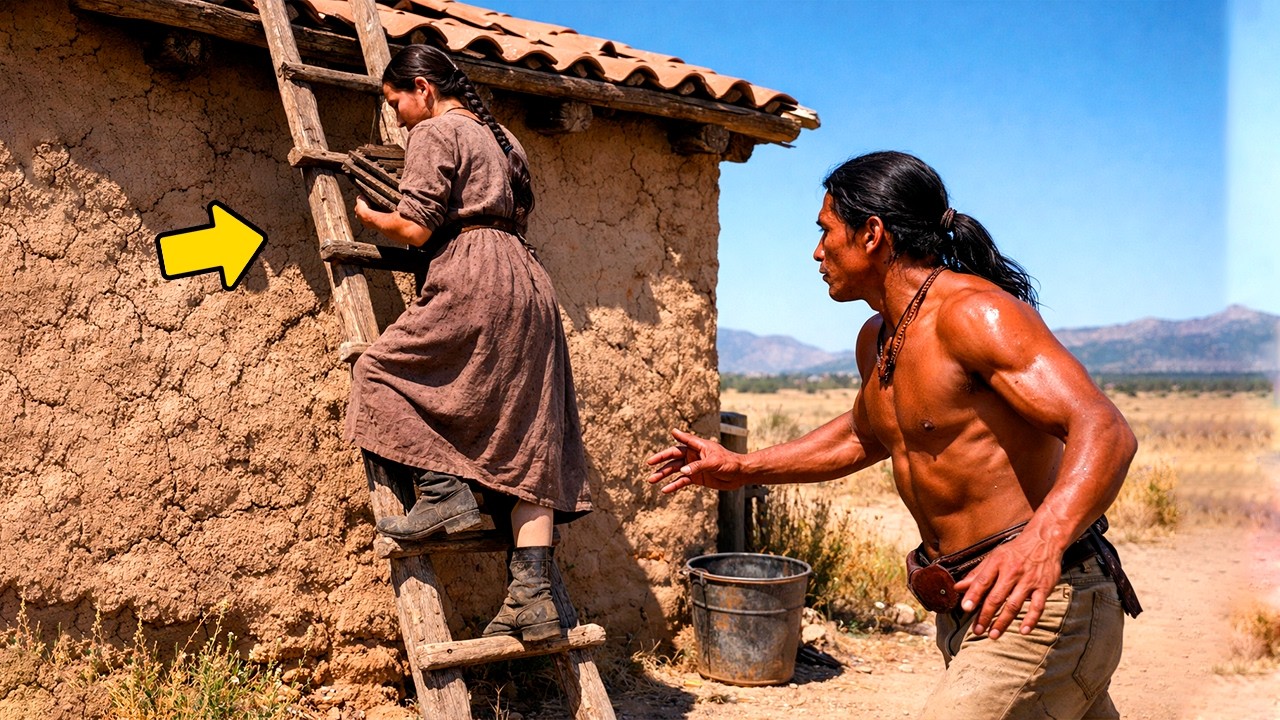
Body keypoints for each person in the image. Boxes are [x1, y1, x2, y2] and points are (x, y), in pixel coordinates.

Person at [647, 151, 1141, 719]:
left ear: (872, 235)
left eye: (825, 231)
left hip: (1041, 602)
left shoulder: (973, 315)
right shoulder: (878, 338)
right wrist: (741, 467)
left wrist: (1041, 542)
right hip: (968, 606)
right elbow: (865, 434)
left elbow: (1103, 426)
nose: (816, 251)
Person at [346, 44, 590, 642]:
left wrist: (371, 215)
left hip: (474, 272)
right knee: (528, 433)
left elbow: (418, 226)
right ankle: (533, 598)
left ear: (423, 88)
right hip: (529, 283)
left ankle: (443, 491)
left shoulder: (436, 133)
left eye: (396, 101)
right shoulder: (503, 137)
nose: (397, 116)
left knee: (377, 373)